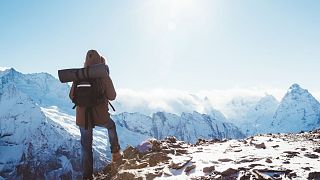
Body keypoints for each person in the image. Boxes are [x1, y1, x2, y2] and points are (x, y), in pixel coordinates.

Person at [69, 50, 122, 180]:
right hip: (100, 115)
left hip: (83, 118)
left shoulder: (79, 75)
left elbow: (72, 96)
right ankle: (115, 153)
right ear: (100, 61)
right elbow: (112, 96)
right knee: (111, 126)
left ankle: (87, 177)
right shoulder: (103, 75)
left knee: (86, 147)